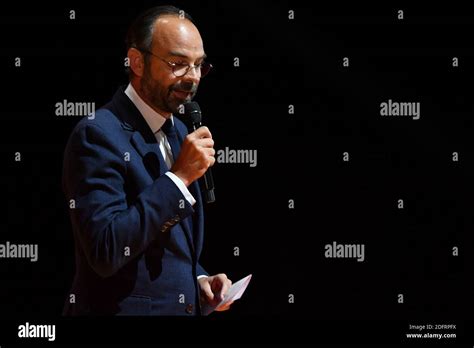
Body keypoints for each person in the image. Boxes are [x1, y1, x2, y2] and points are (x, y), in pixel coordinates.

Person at [62, 5, 232, 315]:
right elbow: (105, 250)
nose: (192, 78)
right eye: (178, 64)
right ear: (137, 62)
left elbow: (168, 246)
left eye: (199, 65)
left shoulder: (180, 131)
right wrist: (178, 179)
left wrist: (198, 279)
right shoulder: (97, 134)